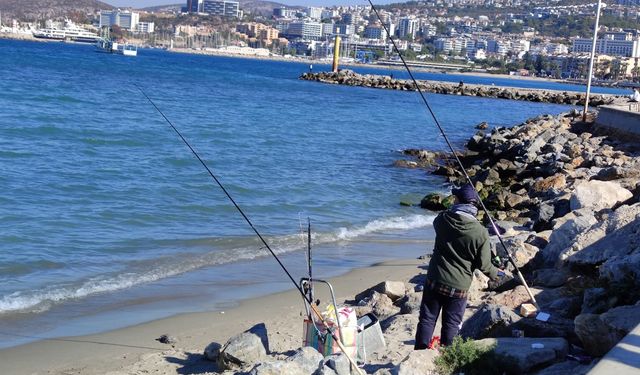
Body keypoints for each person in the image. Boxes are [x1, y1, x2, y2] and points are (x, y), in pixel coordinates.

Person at [415, 183, 502, 349]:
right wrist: (497, 273)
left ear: (458, 201)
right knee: (452, 324)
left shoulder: (442, 220)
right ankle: (448, 355)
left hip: (435, 280)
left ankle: (420, 350)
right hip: (459, 287)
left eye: (455, 198)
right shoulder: (480, 232)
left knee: (427, 318)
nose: (453, 199)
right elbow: (483, 265)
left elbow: (440, 220)